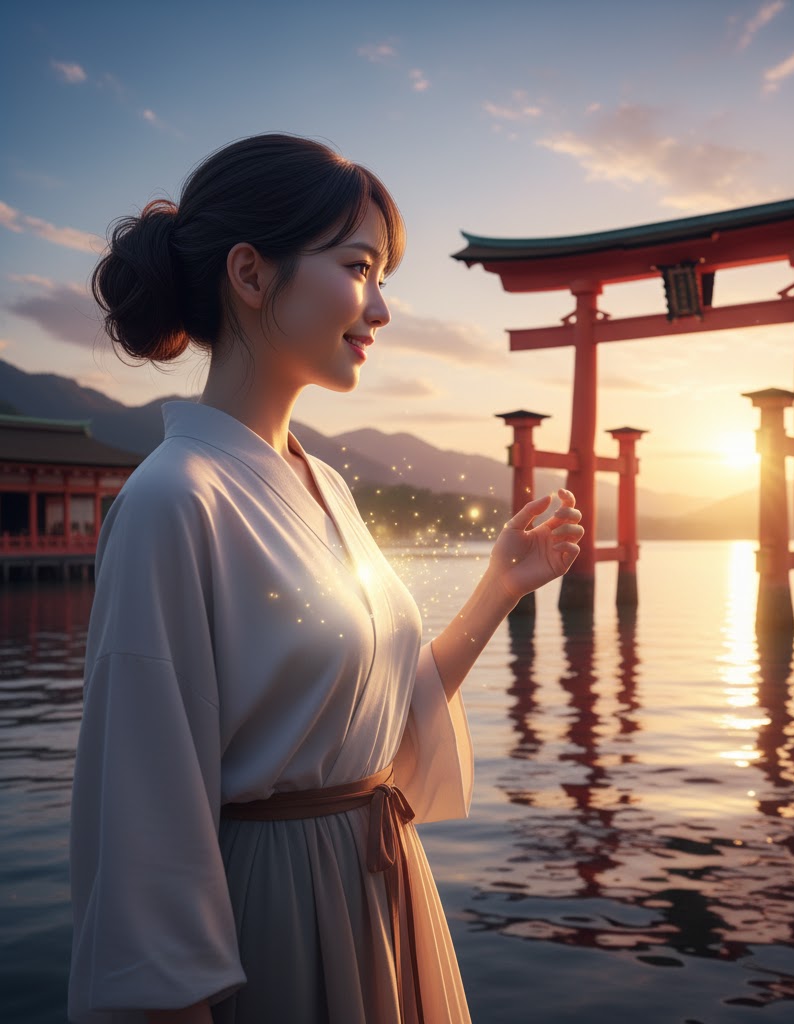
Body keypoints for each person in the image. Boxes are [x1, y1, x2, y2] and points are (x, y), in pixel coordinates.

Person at [68, 132, 584, 1024]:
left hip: (375, 884)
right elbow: (147, 819)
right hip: (277, 912)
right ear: (250, 273)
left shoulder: (324, 485)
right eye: (358, 267)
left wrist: (500, 586)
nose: (380, 308)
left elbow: (383, 716)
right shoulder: (172, 501)